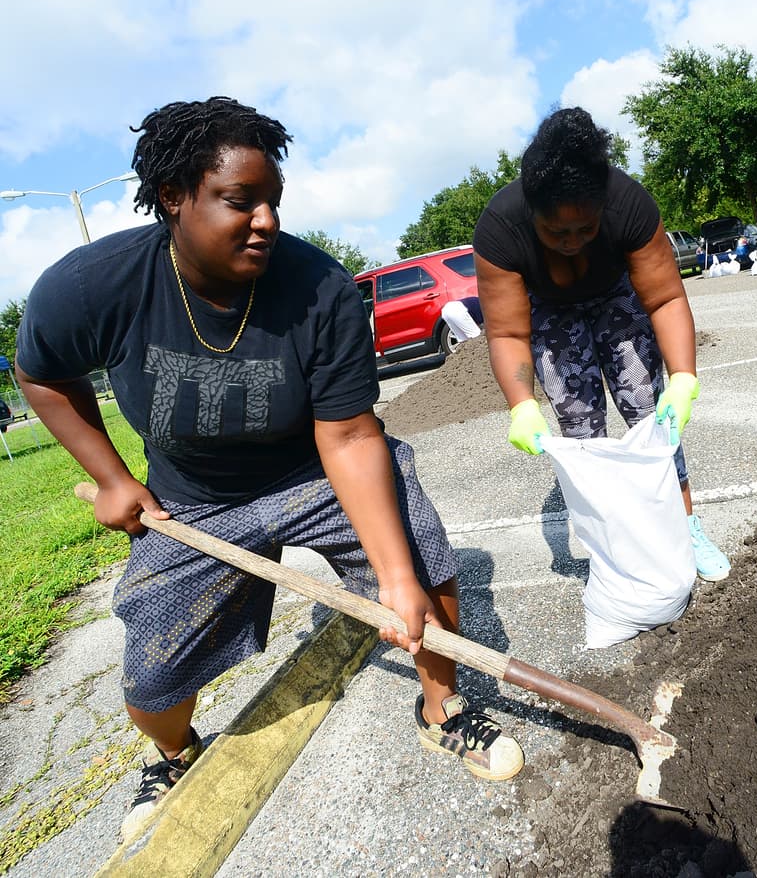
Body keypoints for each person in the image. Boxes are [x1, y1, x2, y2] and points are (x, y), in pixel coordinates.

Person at [14, 97, 523, 843]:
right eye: (239, 200)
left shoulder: (319, 289)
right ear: (174, 197)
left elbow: (349, 437)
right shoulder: (94, 286)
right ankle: (173, 753)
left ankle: (441, 708)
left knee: (419, 567)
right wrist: (116, 478)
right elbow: (40, 375)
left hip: (313, 471)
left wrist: (394, 577)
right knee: (151, 684)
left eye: (273, 201)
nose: (267, 220)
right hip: (193, 502)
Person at [472, 106, 731, 582]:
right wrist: (521, 405)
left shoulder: (628, 203)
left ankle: (684, 525)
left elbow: (667, 298)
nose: (572, 241)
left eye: (585, 228)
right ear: (533, 213)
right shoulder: (500, 229)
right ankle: (616, 546)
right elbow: (509, 331)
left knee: (652, 414)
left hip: (617, 298)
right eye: (556, 231)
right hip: (551, 309)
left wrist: (683, 378)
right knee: (581, 429)